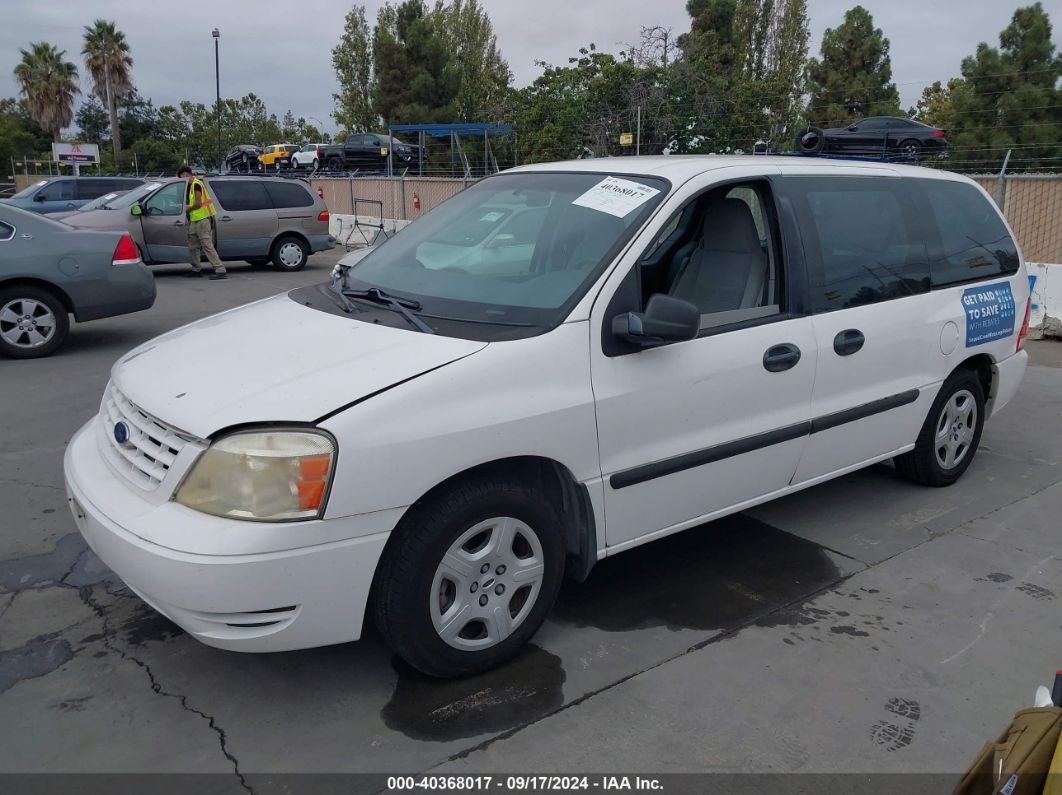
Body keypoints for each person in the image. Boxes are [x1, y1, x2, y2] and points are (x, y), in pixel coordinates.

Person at [178, 166, 226, 280]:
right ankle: (196, 269)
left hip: (203, 219)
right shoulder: (191, 186)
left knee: (207, 245)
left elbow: (198, 204)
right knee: (193, 246)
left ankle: (220, 270)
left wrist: (185, 209)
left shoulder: (196, 184)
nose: (183, 180)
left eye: (183, 177)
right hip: (195, 220)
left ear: (186, 175)